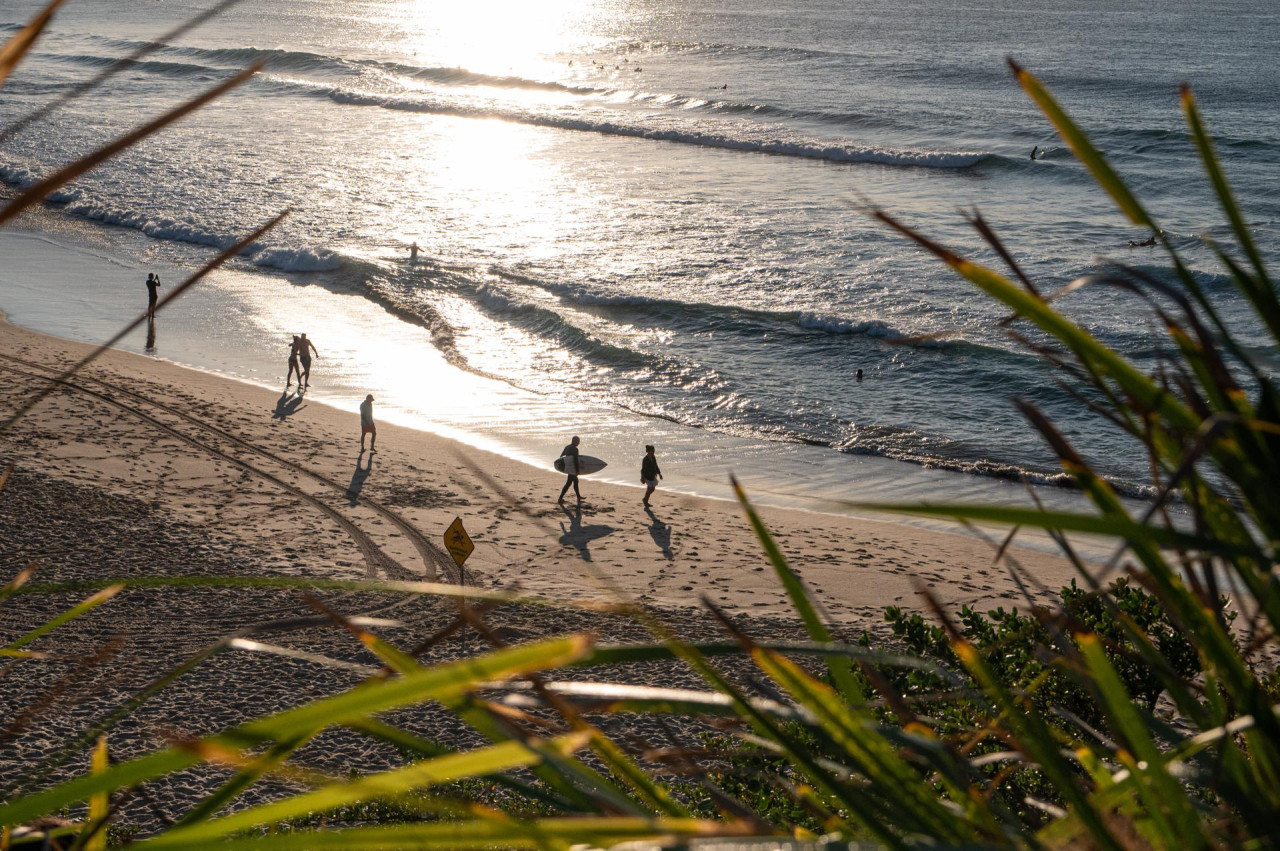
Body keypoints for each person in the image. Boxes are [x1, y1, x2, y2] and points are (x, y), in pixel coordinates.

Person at [558, 435, 583, 504]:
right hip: (573, 468)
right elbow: (575, 460)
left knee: (575, 481)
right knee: (568, 483)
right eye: (578, 442)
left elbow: (561, 457)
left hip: (568, 467)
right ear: (575, 441)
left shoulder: (567, 447)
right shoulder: (575, 449)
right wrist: (577, 470)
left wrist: (564, 467)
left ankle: (578, 496)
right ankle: (560, 498)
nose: (578, 443)